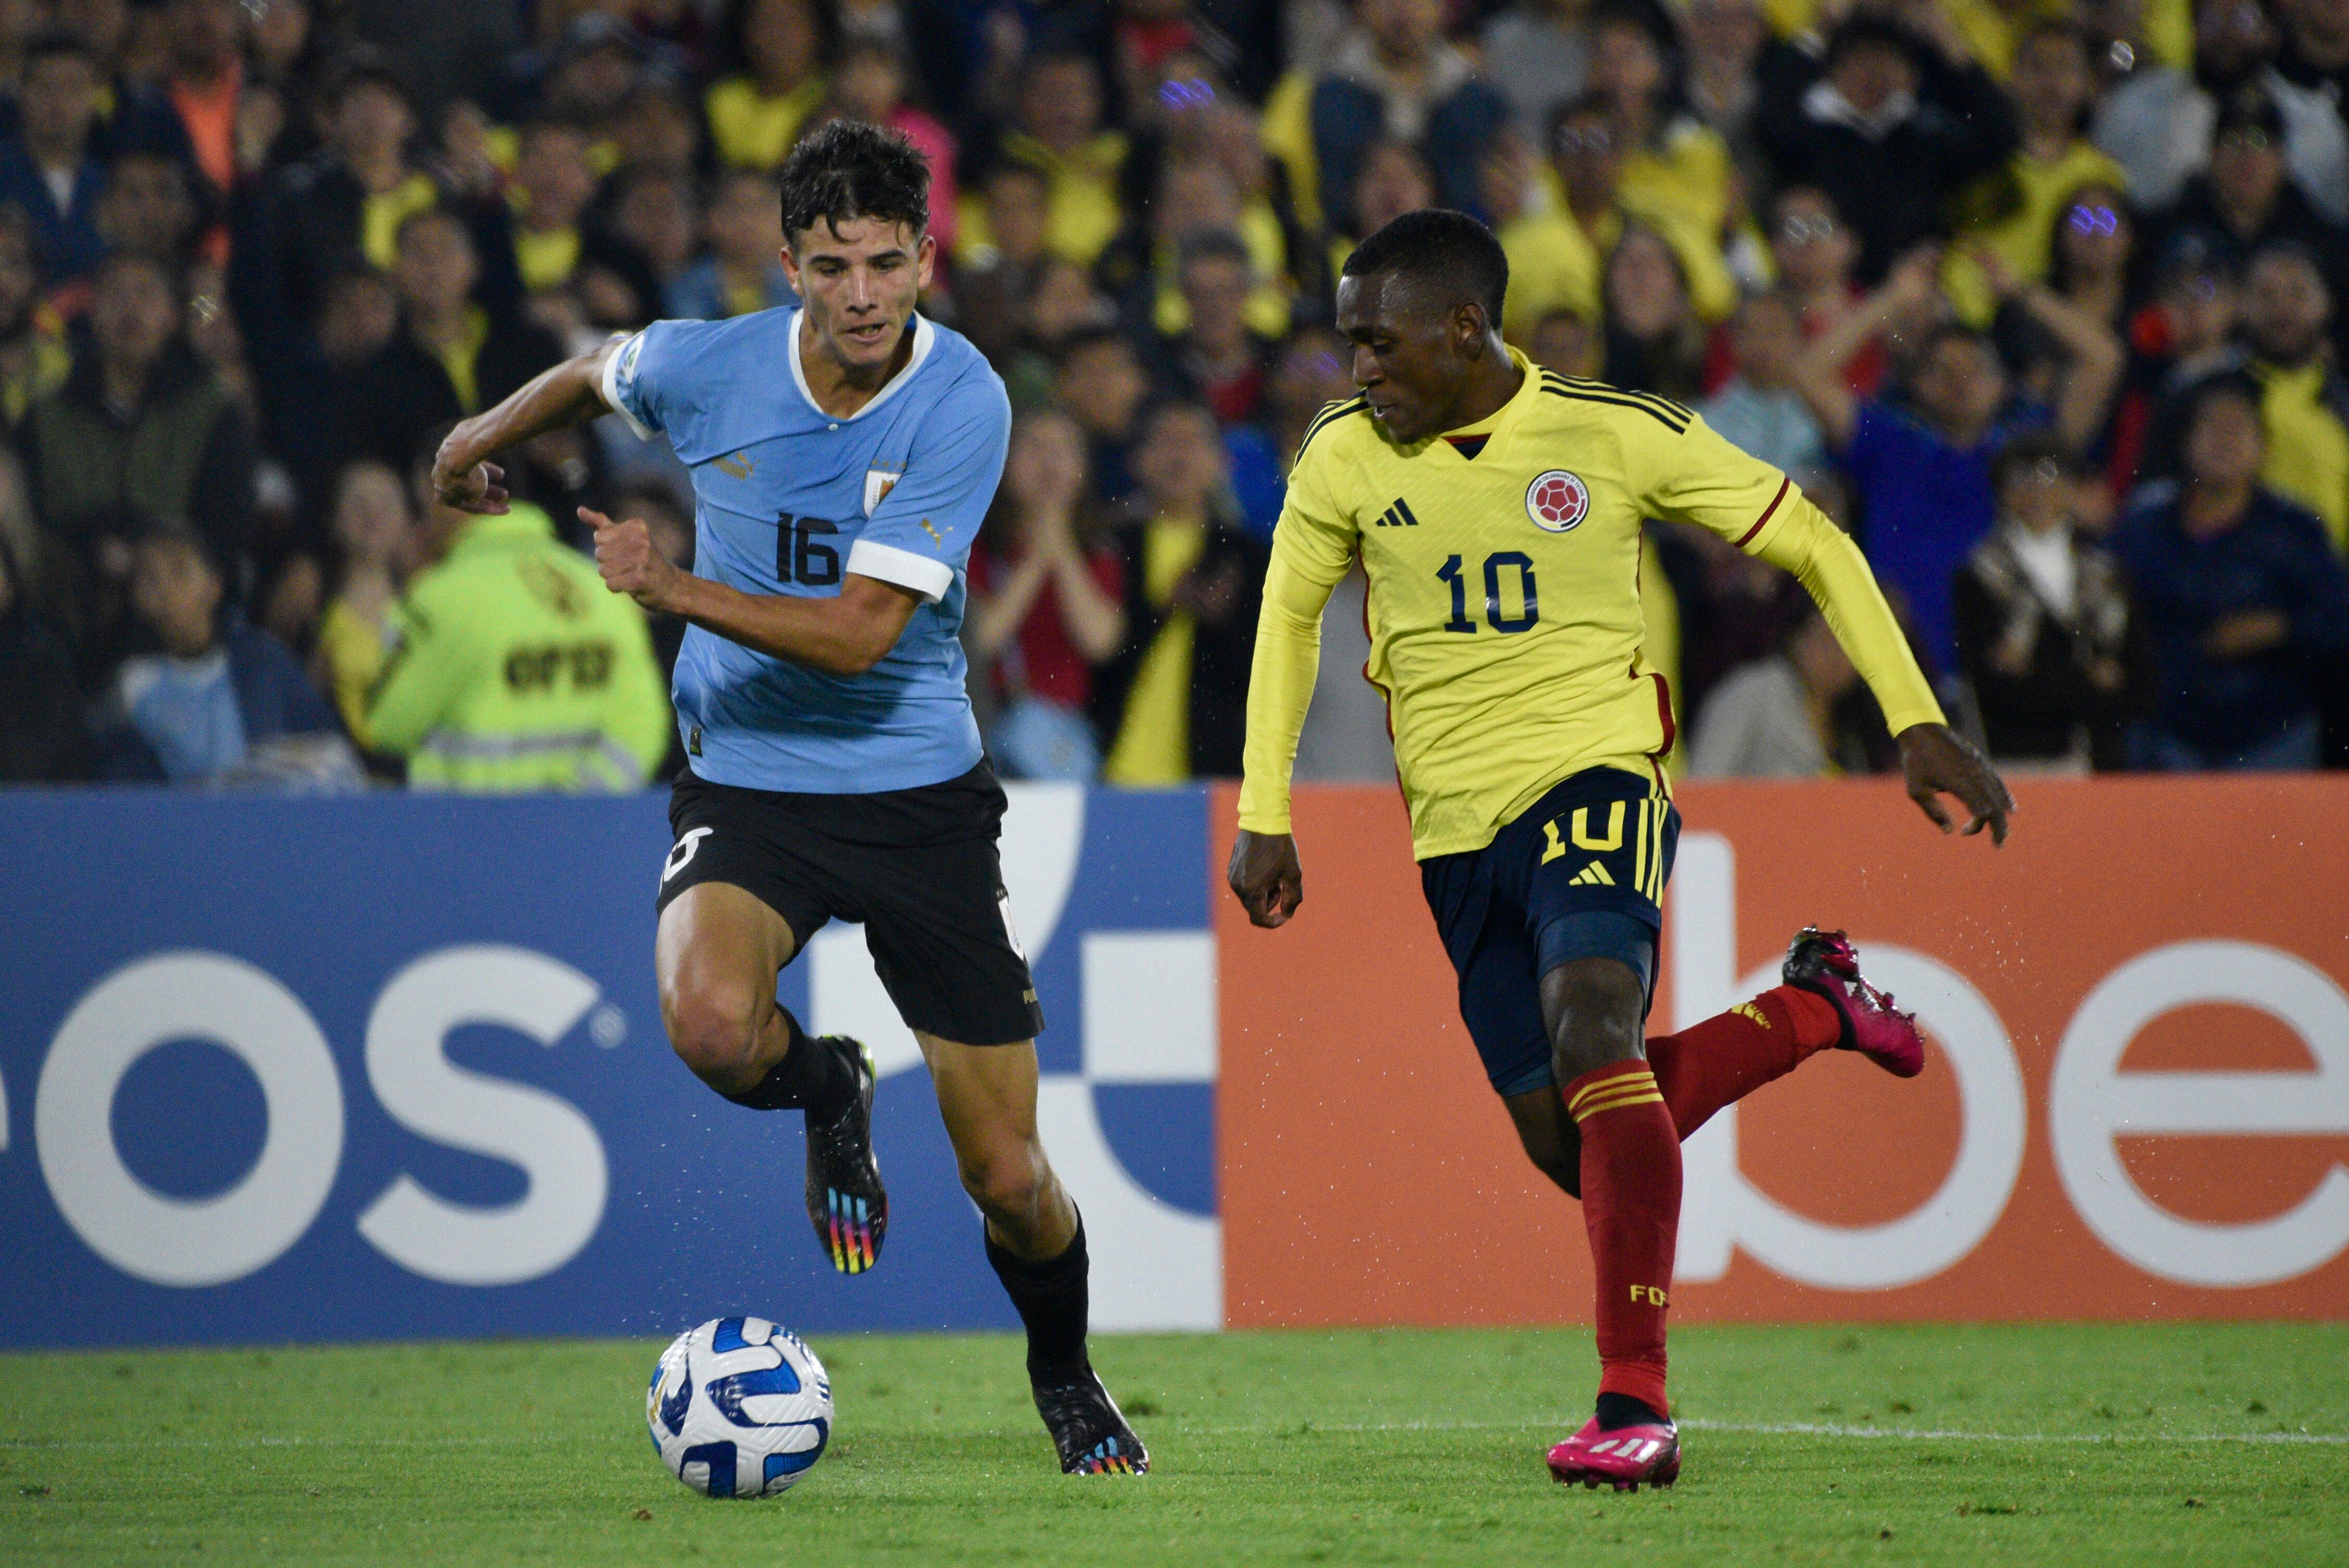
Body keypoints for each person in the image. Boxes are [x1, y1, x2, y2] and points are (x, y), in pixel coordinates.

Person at [1228, 210, 2010, 1490]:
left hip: (1596, 777)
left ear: (1463, 330)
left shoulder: (1611, 432)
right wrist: (1271, 808)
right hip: (1453, 831)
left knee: (1596, 1030)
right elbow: (1288, 624)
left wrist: (1915, 718)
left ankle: (1632, 1406)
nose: (1356, 371)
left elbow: (1809, 536)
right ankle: (1817, 1009)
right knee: (1573, 1143)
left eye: (1378, 345)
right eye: (1347, 346)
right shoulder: (1341, 456)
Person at [424, 120, 1148, 1476]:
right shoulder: (714, 364)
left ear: (926, 257)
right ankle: (828, 1087)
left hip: (917, 795)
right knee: (707, 1024)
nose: (863, 294)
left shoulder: (962, 398)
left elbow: (864, 632)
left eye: (886, 262)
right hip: (748, 777)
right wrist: (471, 436)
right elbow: (594, 373)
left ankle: (1064, 1371)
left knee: (1007, 1175)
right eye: (832, 265)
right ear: (788, 265)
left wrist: (670, 585)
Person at [1791, 246, 2123, 677]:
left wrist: (2018, 291)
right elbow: (1807, 374)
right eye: (1942, 370)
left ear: (2004, 384)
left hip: (2007, 673)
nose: (1960, 382)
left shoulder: (2028, 447)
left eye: (1976, 369)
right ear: (1916, 385)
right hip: (1895, 667)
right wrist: (1893, 297)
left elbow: (2103, 358)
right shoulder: (1888, 440)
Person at [364, 438, 667, 791]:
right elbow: (644, 723)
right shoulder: (602, 588)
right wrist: (578, 804)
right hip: (584, 835)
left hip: (469, 834)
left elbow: (387, 726)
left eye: (423, 505)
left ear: (453, 503)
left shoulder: (439, 599)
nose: (419, 525)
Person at [2109, 376, 2349, 769]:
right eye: (2213, 427)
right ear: (2185, 442)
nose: (2226, 440)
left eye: (2239, 428)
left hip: (2271, 734)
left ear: (2265, 447)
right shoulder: (2144, 523)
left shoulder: (2296, 526)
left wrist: (2280, 626)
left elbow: (2337, 618)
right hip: (2167, 731)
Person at [97, 518, 353, 785]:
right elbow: (123, 787)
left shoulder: (262, 660)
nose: (166, 589)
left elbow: (329, 744)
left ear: (213, 586)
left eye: (179, 571)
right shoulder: (131, 686)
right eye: (150, 577)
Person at [1095, 399, 1268, 783]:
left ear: (1222, 462)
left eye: (1193, 442)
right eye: (1166, 442)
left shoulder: (1250, 557)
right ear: (1136, 460)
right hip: (1111, 763)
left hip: (1214, 770)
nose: (1180, 456)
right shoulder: (1113, 546)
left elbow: (1261, 676)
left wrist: (1221, 621)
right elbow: (1098, 662)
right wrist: (1166, 608)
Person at [1952, 437, 2146, 770]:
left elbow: (2139, 680)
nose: (2037, 494)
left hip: (2097, 762)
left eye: (2051, 480)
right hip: (2012, 761)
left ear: (2073, 490)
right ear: (2001, 493)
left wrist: (2035, 669)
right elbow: (1993, 686)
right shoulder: (1978, 576)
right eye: (2021, 482)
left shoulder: (2108, 575)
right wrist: (2090, 677)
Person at [966, 409, 1125, 779]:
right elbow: (981, 640)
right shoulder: (976, 547)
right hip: (985, 726)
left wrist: (1062, 547)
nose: (1048, 461)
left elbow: (1100, 641)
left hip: (1059, 733)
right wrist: (1037, 559)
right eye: (1034, 447)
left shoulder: (1099, 553)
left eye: (1063, 449)